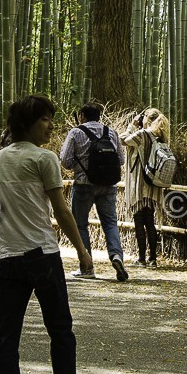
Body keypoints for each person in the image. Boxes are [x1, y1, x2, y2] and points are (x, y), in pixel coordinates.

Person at [0, 95, 93, 374]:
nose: (50, 125)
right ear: (27, 123)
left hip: (8, 260)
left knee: (6, 335)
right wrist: (82, 250)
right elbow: (61, 210)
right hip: (42, 257)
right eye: (45, 119)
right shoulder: (44, 159)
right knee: (60, 330)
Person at [59, 103, 130, 282]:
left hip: (83, 184)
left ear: (81, 115)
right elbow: (121, 160)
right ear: (99, 115)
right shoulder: (111, 132)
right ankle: (116, 257)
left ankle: (87, 267)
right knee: (110, 223)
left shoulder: (76, 132)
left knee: (80, 225)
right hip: (107, 185)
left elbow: (66, 161)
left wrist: (80, 163)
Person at [122, 107, 171, 267]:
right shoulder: (161, 137)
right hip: (153, 185)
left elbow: (123, 140)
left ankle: (141, 258)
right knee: (150, 221)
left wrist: (132, 125)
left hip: (139, 185)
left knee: (138, 220)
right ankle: (153, 258)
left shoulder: (143, 135)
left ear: (148, 120)